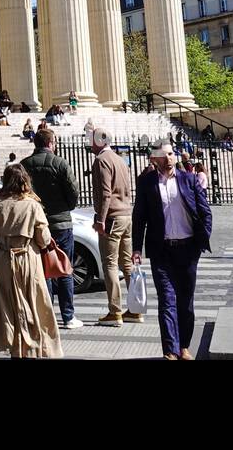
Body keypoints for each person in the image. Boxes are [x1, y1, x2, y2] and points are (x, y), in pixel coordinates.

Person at [132, 140, 213, 360]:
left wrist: (202, 238)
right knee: (167, 300)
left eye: (171, 154)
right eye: (163, 155)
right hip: (161, 251)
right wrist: (136, 248)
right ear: (154, 160)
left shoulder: (189, 179)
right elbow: (139, 218)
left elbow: (205, 211)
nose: (168, 158)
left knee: (185, 302)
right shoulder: (146, 183)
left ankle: (184, 346)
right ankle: (170, 350)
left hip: (187, 250)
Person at [0, 163, 63, 358]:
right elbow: (43, 239)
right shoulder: (33, 205)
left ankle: (14, 347)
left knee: (7, 305)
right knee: (34, 303)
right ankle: (33, 347)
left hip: (4, 259)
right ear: (25, 180)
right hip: (28, 259)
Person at [21, 128, 82, 329]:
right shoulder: (61, 163)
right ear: (50, 143)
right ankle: (68, 316)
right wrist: (65, 207)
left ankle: (46, 315)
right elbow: (73, 193)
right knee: (64, 268)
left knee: (42, 270)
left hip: (36, 224)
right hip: (61, 223)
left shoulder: (24, 165)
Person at [90, 129, 141, 328]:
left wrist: (100, 219)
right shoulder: (120, 159)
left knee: (110, 264)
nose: (90, 144)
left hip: (111, 217)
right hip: (126, 215)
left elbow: (105, 193)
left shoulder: (102, 160)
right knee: (127, 265)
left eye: (92, 140)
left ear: (99, 141)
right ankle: (136, 310)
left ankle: (115, 312)